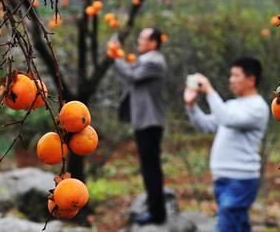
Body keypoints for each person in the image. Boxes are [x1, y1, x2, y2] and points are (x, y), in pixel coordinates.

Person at [184, 57, 270, 232]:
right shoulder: (231, 105)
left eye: (236, 75)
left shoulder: (258, 107)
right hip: (223, 178)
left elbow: (227, 119)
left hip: (241, 179)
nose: (231, 80)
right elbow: (206, 125)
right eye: (231, 75)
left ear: (251, 80)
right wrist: (191, 106)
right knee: (238, 225)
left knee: (226, 226)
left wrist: (209, 91)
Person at [112, 27, 167, 225]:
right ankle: (155, 209)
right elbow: (133, 70)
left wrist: (115, 55)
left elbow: (131, 75)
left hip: (150, 122)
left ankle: (157, 214)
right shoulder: (146, 60)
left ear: (154, 43)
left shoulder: (154, 61)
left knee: (151, 168)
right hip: (144, 121)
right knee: (148, 167)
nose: (138, 41)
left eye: (142, 38)